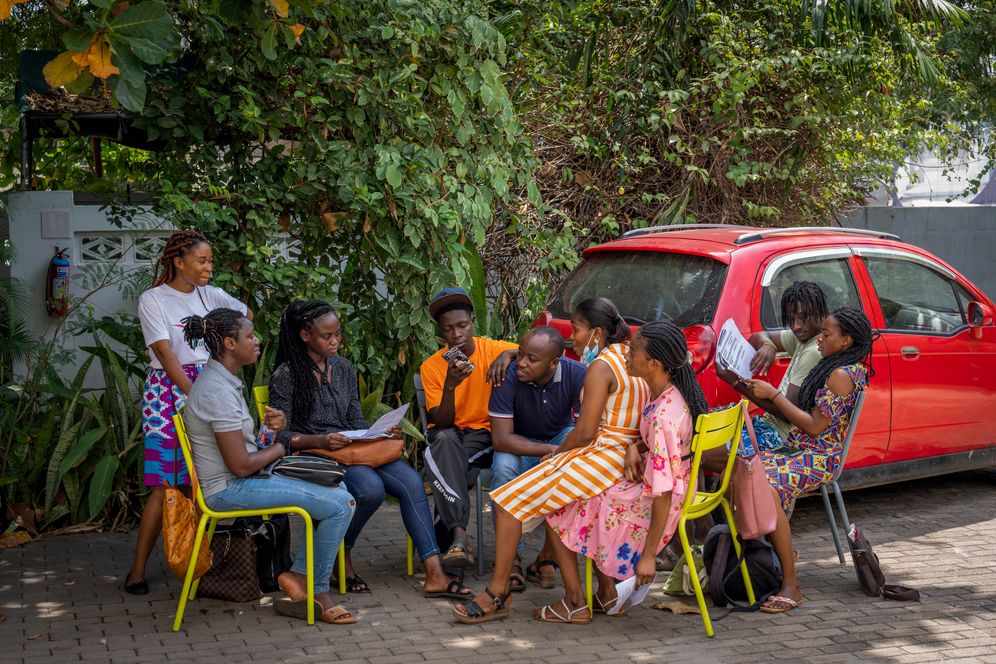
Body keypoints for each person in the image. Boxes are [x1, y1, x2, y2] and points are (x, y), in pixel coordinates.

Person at [453, 297, 649, 624]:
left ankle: (497, 592)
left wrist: (559, 455)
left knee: (507, 501)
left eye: (577, 328)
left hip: (602, 456)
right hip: (621, 458)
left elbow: (585, 432)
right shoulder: (634, 361)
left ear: (598, 333)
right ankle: (588, 596)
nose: (574, 337)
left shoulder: (601, 367)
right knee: (560, 507)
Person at [268, 300, 472, 599]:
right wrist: (320, 441)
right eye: (327, 336)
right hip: (316, 454)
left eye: (338, 334)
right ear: (304, 336)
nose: (335, 341)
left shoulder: (344, 368)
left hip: (353, 449)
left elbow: (353, 419)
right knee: (370, 488)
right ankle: (341, 556)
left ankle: (435, 574)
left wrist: (376, 430)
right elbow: (281, 436)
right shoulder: (287, 375)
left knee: (412, 482)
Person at [181, 308, 357, 624]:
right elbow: (240, 465)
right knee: (342, 503)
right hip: (228, 490)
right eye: (250, 336)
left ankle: (301, 577)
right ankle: (317, 591)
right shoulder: (217, 391)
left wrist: (273, 429)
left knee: (337, 486)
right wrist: (281, 446)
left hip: (240, 480)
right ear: (230, 343)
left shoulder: (223, 381)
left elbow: (245, 449)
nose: (257, 340)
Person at [539, 320, 711, 622]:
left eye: (632, 352)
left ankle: (575, 602)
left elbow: (663, 491)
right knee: (587, 494)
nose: (626, 356)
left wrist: (648, 557)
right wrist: (636, 446)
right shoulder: (667, 394)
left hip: (662, 503)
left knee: (559, 503)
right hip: (670, 486)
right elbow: (663, 450)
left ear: (654, 363)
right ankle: (605, 593)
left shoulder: (662, 416)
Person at [125, 230, 251, 595]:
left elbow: (246, 319)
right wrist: (200, 400)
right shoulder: (154, 300)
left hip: (209, 383)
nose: (209, 267)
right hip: (169, 392)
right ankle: (136, 571)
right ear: (178, 262)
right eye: (202, 261)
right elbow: (165, 355)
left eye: (211, 261)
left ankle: (204, 567)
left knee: (208, 478)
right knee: (165, 484)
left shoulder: (211, 296)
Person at [731, 306, 875, 614]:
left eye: (827, 334)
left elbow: (813, 426)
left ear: (846, 341)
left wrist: (773, 395)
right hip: (801, 448)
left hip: (819, 456)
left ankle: (791, 586)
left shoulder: (841, 375)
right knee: (743, 469)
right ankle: (770, 553)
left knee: (765, 484)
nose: (820, 339)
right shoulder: (837, 366)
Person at [419, 288, 518, 567]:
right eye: (449, 329)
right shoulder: (432, 367)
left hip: (485, 434)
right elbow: (442, 421)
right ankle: (459, 537)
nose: (457, 335)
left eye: (462, 325)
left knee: (444, 460)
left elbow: (536, 350)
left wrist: (509, 354)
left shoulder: (492, 349)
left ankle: (454, 537)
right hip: (450, 434)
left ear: (473, 321)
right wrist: (451, 385)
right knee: (445, 442)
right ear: (441, 332)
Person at [488, 326, 586, 592]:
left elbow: (584, 431)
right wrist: (550, 452)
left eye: (532, 359)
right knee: (502, 468)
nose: (521, 363)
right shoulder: (506, 375)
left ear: (554, 363)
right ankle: (513, 560)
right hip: (518, 443)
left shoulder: (577, 374)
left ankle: (546, 557)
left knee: (572, 467)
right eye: (519, 354)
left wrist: (558, 451)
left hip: (558, 438)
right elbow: (501, 439)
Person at [715, 281, 828, 455]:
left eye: (802, 318)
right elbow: (758, 337)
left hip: (780, 437)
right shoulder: (804, 336)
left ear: (819, 313)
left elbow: (786, 414)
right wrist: (768, 344)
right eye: (790, 320)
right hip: (768, 425)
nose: (796, 326)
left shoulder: (814, 351)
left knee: (703, 453)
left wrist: (735, 382)